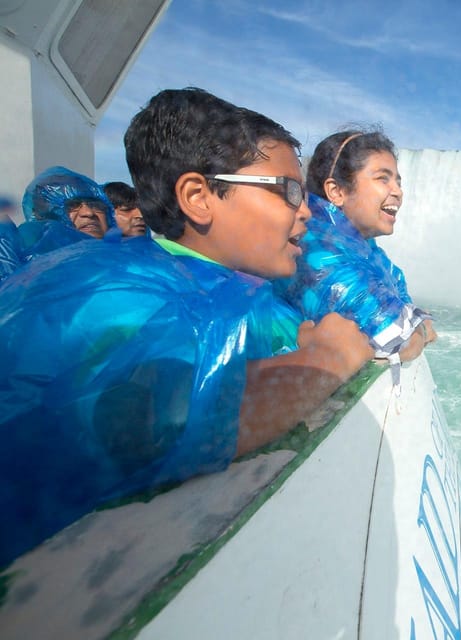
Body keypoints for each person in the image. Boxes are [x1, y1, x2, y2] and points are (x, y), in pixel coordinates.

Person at [0, 87, 373, 565]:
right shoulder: (116, 292)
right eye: (288, 190)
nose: (306, 210)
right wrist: (331, 357)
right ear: (199, 197)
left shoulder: (229, 288)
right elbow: (157, 419)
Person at [275, 129, 436, 369]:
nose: (398, 192)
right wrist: (422, 330)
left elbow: (401, 303)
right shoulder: (318, 251)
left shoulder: (363, 248)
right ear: (337, 192)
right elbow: (395, 339)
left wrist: (415, 327)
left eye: (398, 182)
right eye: (383, 178)